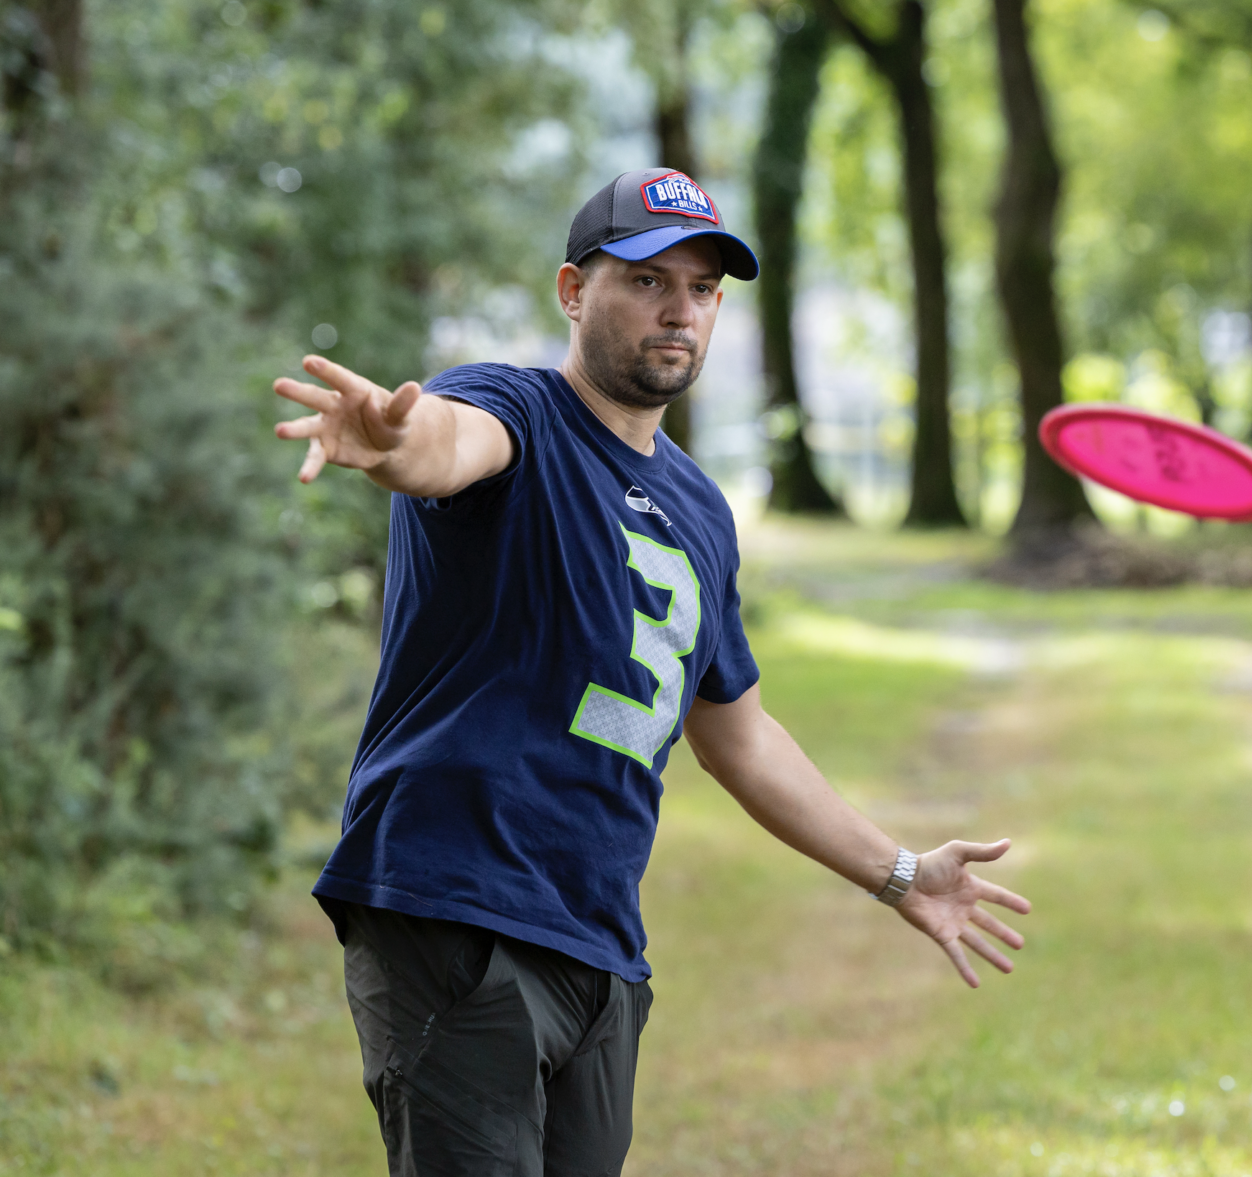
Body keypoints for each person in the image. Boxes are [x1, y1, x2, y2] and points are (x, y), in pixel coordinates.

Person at [271, 168, 1031, 1177]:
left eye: (703, 289)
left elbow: (741, 736)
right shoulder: (516, 409)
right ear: (573, 291)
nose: (678, 309)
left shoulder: (699, 510)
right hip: (453, 905)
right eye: (646, 279)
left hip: (597, 942)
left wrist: (897, 875)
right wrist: (398, 444)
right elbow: (446, 444)